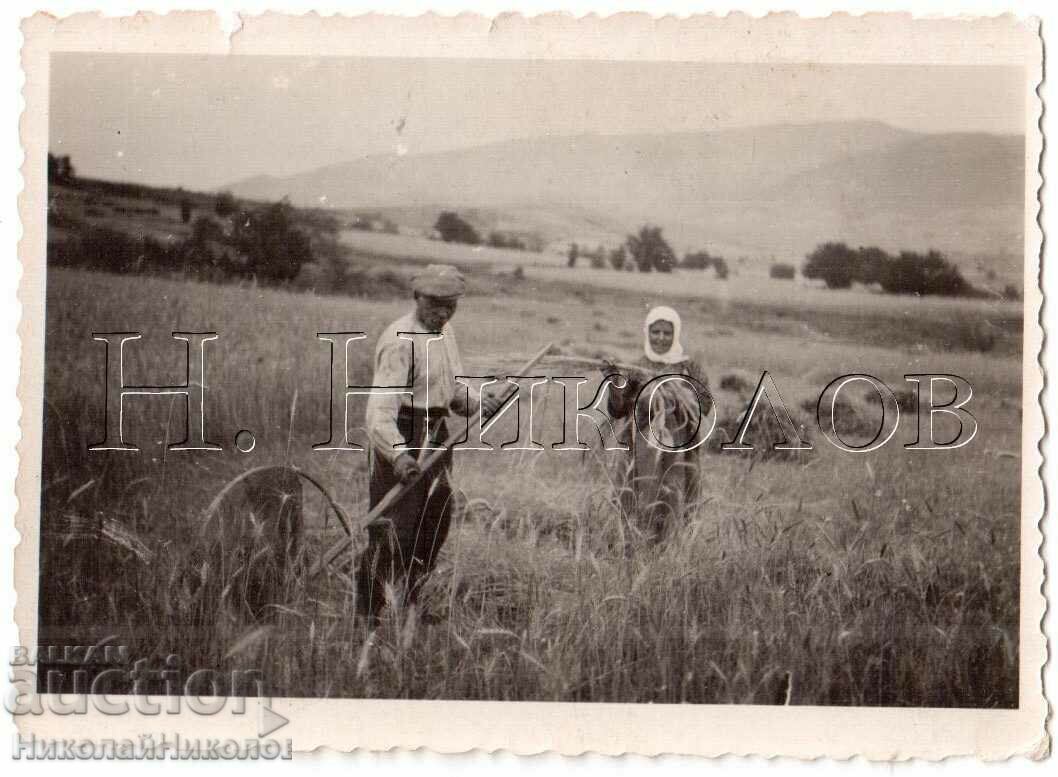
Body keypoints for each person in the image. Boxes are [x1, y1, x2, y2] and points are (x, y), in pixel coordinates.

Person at [357, 264, 502, 624]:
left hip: (437, 437)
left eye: (450, 305)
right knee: (391, 532)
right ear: (417, 297)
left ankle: (410, 605)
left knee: (432, 527)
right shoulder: (398, 341)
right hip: (403, 437)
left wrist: (477, 402)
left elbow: (450, 389)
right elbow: (379, 413)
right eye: (435, 304)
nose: (442, 312)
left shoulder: (445, 332)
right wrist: (398, 456)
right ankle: (367, 618)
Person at [603, 305, 710, 545]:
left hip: (679, 446)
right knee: (642, 491)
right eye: (656, 332)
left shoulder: (688, 367)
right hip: (641, 446)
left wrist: (676, 393)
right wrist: (613, 381)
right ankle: (635, 543)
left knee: (674, 494)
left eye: (667, 332)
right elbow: (618, 410)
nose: (661, 338)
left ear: (676, 334)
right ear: (647, 333)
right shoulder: (636, 367)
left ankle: (671, 549)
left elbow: (705, 405)